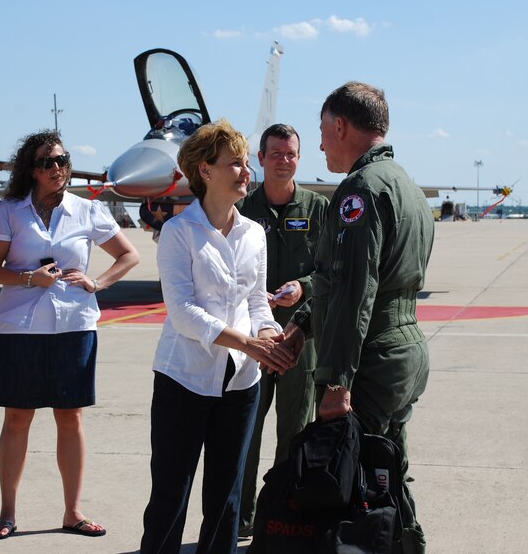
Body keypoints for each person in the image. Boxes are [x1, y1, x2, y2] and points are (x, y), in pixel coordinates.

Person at [283, 82, 434, 553]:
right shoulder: (406, 184)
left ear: (341, 125)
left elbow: (354, 292)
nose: (322, 143)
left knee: (353, 484)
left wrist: (336, 382)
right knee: (387, 471)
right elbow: (345, 281)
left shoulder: (360, 190)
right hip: (403, 349)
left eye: (323, 131)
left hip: (371, 354)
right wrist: (304, 322)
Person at [139, 119, 293, 554]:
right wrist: (247, 342)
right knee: (171, 495)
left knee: (226, 497)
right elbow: (183, 313)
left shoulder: (254, 234)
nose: (247, 172)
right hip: (182, 379)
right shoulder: (177, 232)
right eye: (235, 164)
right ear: (205, 171)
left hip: (241, 383)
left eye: (247, 164)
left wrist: (269, 335)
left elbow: (257, 303)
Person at [0, 129, 140, 539]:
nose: (57, 168)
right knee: (17, 418)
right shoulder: (8, 211)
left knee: (70, 418)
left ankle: (72, 512)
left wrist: (99, 282)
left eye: (62, 160)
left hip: (74, 325)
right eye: (47, 162)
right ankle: (7, 514)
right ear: (30, 170)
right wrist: (28, 278)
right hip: (21, 327)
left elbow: (128, 254)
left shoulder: (87, 210)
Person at [236, 123, 328, 536]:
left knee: (293, 433)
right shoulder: (241, 209)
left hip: (299, 339)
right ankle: (240, 517)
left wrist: (303, 287)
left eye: (291, 154)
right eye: (276, 154)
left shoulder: (317, 208)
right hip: (253, 341)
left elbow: (329, 270)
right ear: (260, 159)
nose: (284, 161)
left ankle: (282, 517)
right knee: (245, 432)